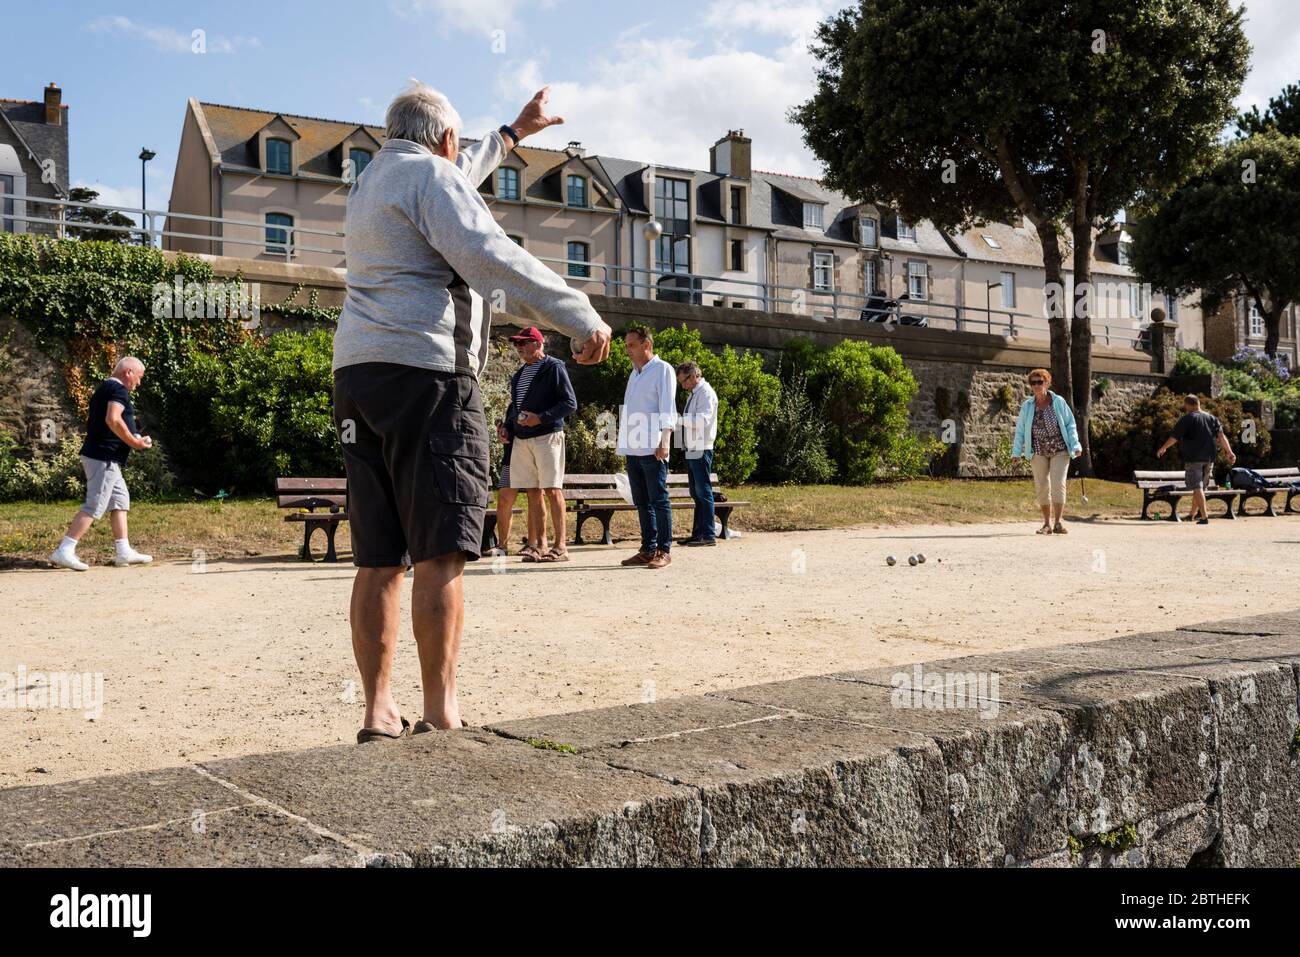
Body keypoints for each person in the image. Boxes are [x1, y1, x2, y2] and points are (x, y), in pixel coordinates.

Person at [331, 83, 611, 742]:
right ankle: (440, 710)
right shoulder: (434, 178)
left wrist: (512, 134)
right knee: (440, 555)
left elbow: (450, 175)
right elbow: (493, 259)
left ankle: (376, 710)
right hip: (429, 379)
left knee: (378, 558)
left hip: (358, 377)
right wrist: (578, 313)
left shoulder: (373, 181)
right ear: (445, 142)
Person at [48, 357, 153, 571]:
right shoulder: (118, 390)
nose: (139, 383)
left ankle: (123, 551)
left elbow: (111, 421)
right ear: (129, 372)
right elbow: (112, 419)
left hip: (106, 458)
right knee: (95, 504)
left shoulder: (105, 388)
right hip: (103, 458)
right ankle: (65, 550)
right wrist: (135, 442)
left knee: (120, 500)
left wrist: (135, 436)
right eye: (139, 377)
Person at [500, 326, 577, 562]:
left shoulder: (554, 367)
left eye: (524, 342)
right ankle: (540, 545)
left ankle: (561, 546)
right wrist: (507, 426)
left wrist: (541, 418)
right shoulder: (518, 375)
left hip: (547, 436)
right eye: (517, 343)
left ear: (538, 343)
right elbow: (516, 407)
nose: (519, 347)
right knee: (533, 492)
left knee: (553, 490)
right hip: (523, 438)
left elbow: (569, 403)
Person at [616, 326, 677, 569]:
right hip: (633, 447)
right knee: (642, 501)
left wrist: (665, 441)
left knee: (659, 500)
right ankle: (648, 549)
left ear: (646, 345)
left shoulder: (663, 370)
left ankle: (664, 550)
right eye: (626, 345)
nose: (627, 350)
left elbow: (667, 407)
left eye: (632, 345)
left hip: (653, 447)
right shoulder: (634, 373)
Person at [1010, 368, 1082, 535]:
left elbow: (1070, 424)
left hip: (1060, 450)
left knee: (1058, 484)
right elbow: (1020, 431)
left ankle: (1058, 522)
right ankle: (1046, 524)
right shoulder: (1027, 406)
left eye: (1040, 382)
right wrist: (1016, 453)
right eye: (1033, 382)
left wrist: (1075, 445)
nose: (1036, 385)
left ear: (1047, 383)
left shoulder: (1058, 402)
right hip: (1038, 450)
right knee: (1042, 486)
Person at [1157, 394, 1237, 524]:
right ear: (1198, 403)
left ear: (1188, 405)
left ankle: (1204, 517)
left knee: (1197, 487)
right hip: (1209, 459)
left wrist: (1164, 447)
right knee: (1199, 487)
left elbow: (1175, 437)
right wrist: (1229, 452)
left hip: (1194, 458)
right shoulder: (1212, 418)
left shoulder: (1188, 418)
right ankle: (1192, 514)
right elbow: (1221, 437)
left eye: (1185, 405)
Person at [675, 361, 719, 546]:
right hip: (692, 447)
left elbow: (702, 420)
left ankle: (708, 535)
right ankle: (698, 533)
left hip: (701, 447)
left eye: (684, 381)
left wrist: (679, 419)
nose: (682, 386)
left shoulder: (706, 393)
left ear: (693, 376)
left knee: (703, 491)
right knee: (696, 492)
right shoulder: (694, 394)